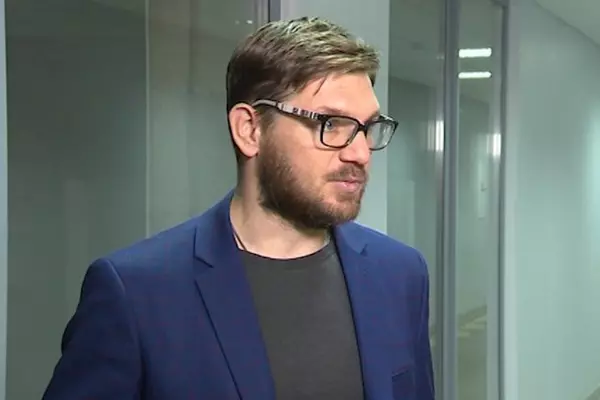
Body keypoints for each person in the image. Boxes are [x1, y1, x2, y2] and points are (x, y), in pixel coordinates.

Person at [43, 16, 434, 400]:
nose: (361, 153)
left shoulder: (400, 274)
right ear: (249, 129)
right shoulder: (136, 293)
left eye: (366, 128)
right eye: (331, 124)